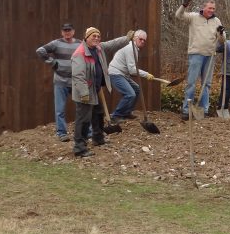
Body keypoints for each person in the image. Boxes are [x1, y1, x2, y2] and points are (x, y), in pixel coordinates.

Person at [71, 27, 132, 157]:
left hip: (96, 89)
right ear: (86, 37)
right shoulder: (80, 53)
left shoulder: (98, 48)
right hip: (85, 92)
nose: (97, 38)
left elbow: (113, 43)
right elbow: (78, 76)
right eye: (93, 36)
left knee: (98, 114)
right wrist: (84, 93)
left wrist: (127, 38)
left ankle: (98, 138)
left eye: (98, 36)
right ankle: (79, 148)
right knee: (83, 120)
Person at [175, 0, 224, 119]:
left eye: (213, 8)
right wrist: (184, 6)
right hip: (196, 54)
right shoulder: (194, 17)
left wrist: (222, 33)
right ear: (204, 7)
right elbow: (178, 16)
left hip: (210, 55)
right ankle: (186, 110)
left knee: (206, 84)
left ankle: (204, 110)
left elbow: (222, 40)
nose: (211, 10)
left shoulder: (216, 21)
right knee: (191, 83)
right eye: (209, 8)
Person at [35, 23, 80, 141]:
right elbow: (40, 51)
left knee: (82, 107)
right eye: (65, 30)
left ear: (73, 31)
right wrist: (52, 62)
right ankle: (62, 133)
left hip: (76, 81)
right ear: (62, 32)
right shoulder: (56, 43)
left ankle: (85, 131)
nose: (67, 32)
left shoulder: (80, 44)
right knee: (60, 109)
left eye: (69, 30)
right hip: (60, 81)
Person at [107, 29, 155, 121]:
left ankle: (127, 112)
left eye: (144, 40)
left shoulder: (134, 48)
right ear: (134, 38)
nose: (142, 41)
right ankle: (116, 115)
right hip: (116, 73)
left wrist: (146, 74)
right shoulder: (130, 48)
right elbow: (132, 70)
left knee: (136, 89)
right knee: (130, 94)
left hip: (123, 74)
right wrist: (146, 74)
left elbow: (131, 69)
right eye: (140, 39)